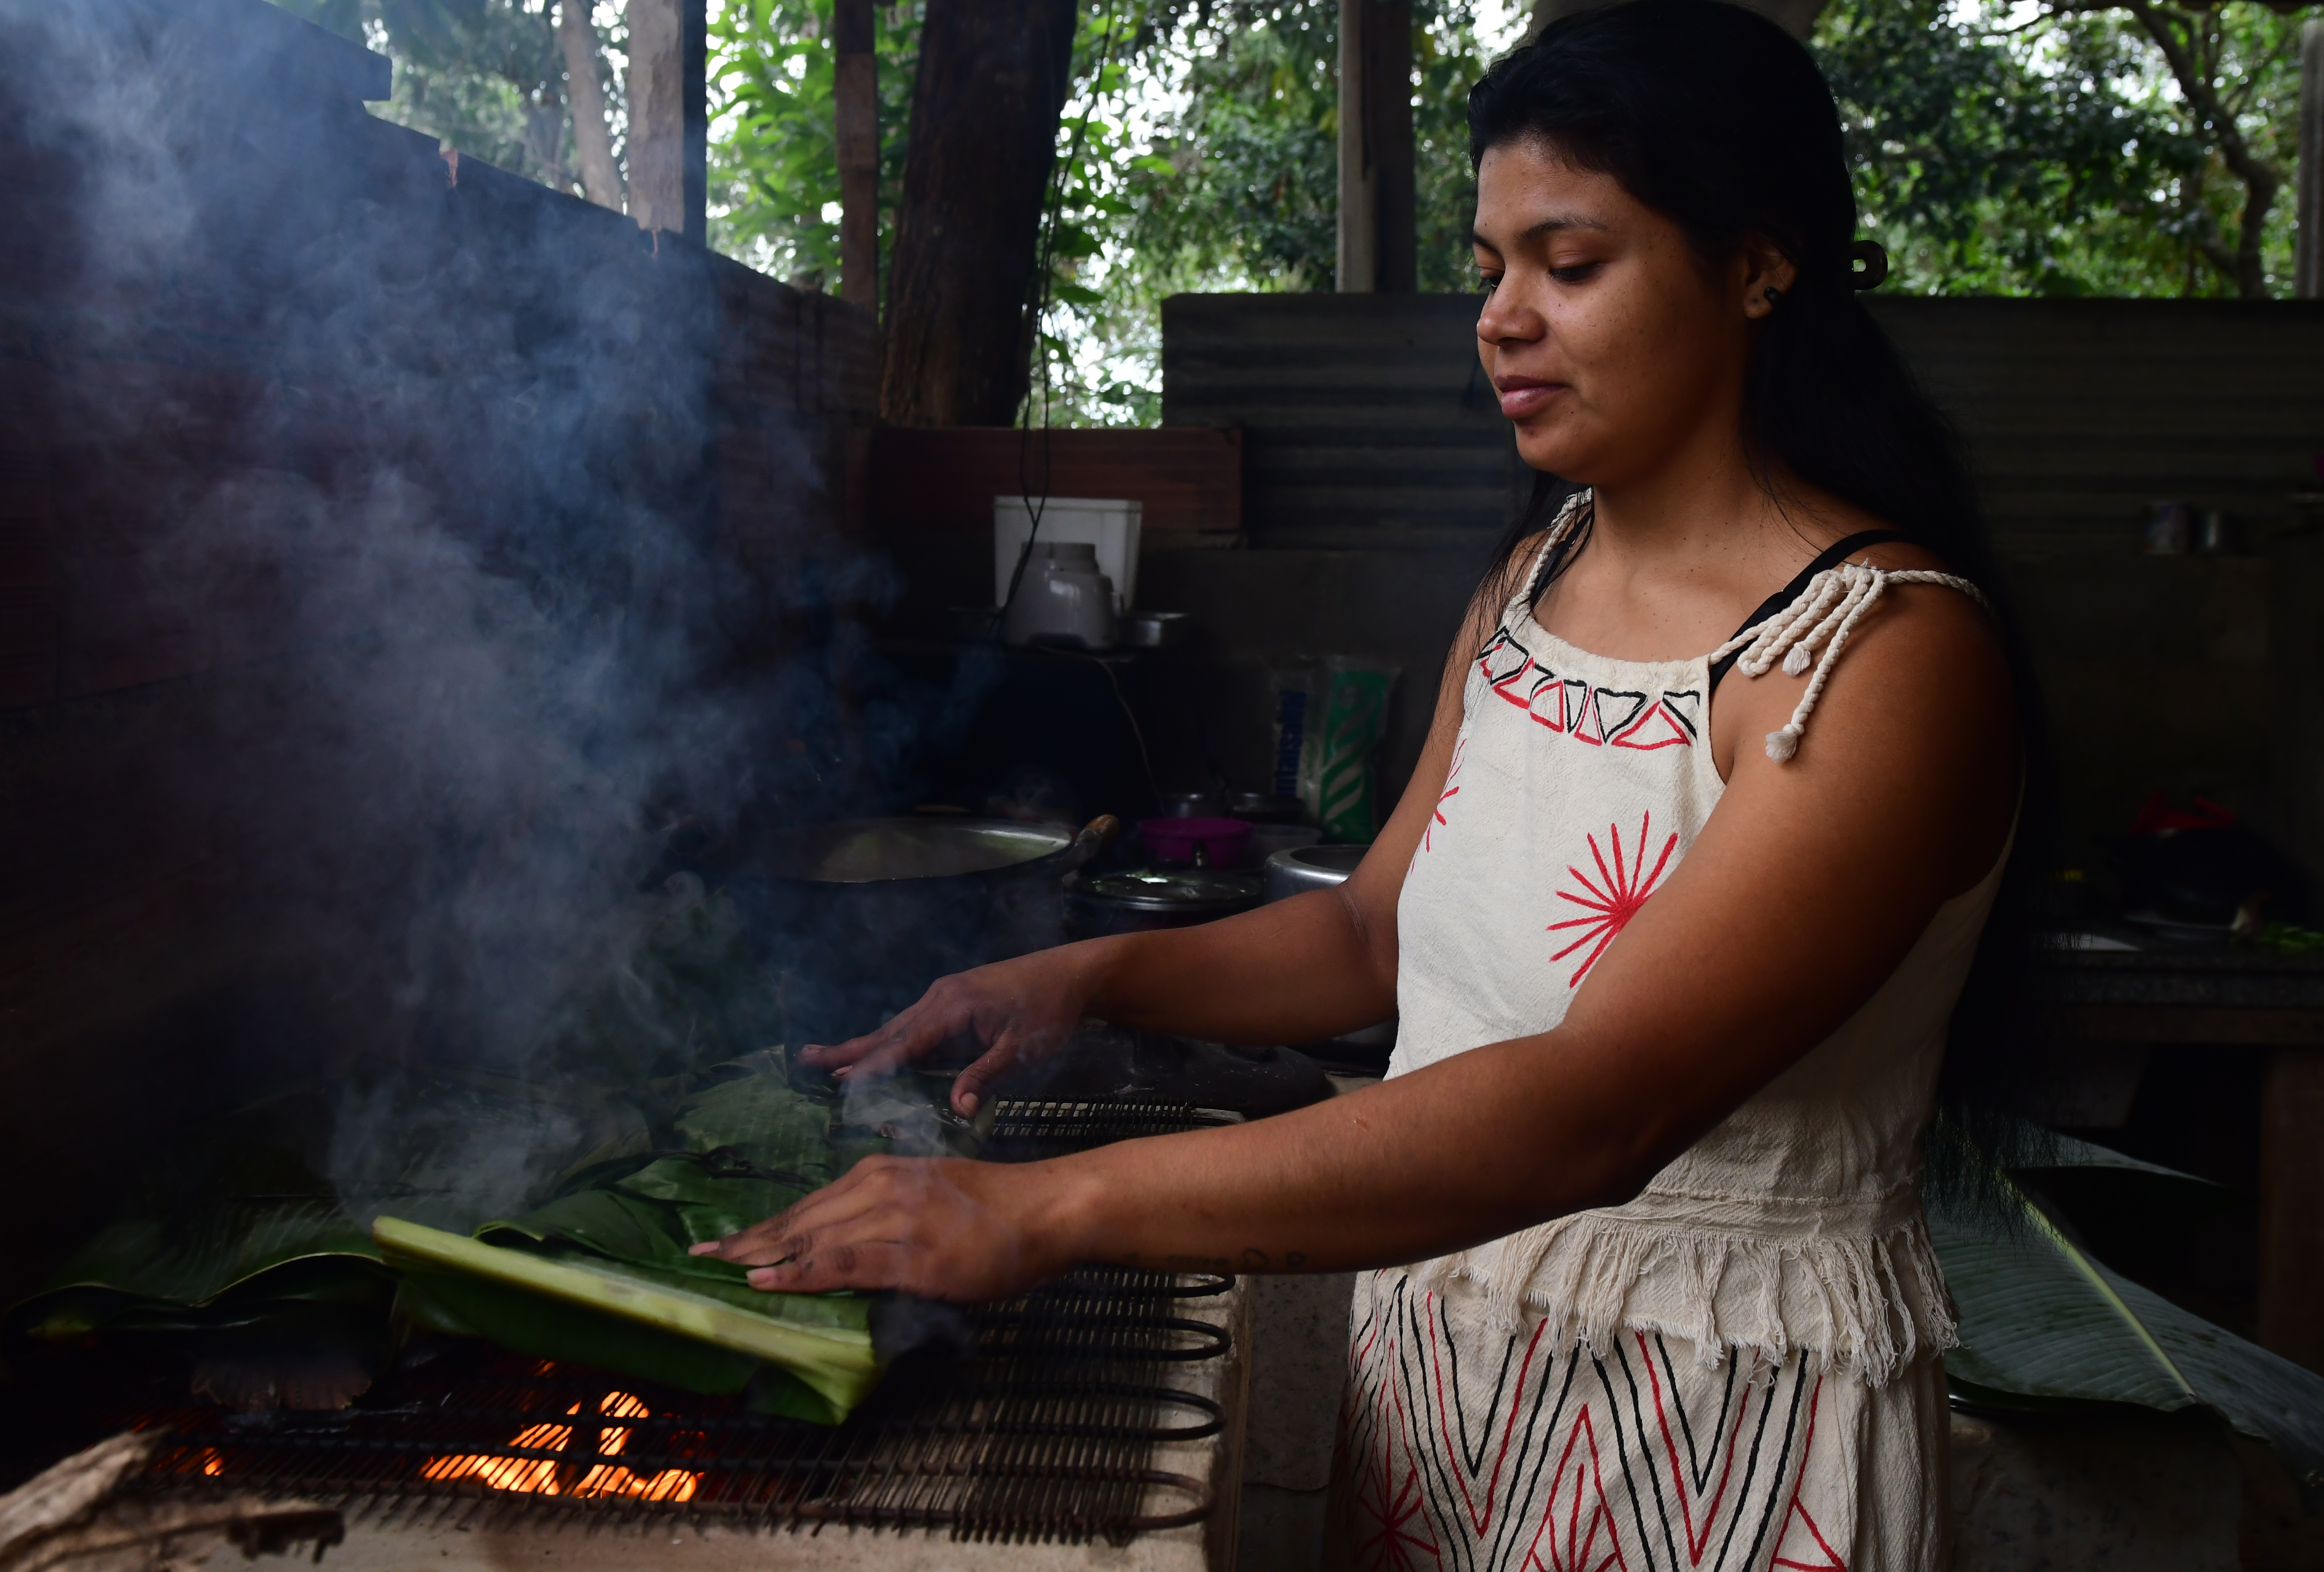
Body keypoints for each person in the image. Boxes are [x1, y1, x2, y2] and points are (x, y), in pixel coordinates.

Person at [695, 1, 2025, 1563]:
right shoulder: (1535, 583)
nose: (1502, 319)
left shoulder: (1877, 659)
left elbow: (1590, 1113)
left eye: (1569, 263)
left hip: (1715, 1420)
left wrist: (1045, 1209)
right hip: (1442, 1383)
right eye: (1489, 269)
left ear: (1756, 263)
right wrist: (1084, 974)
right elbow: (1369, 940)